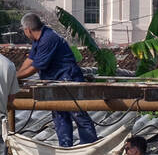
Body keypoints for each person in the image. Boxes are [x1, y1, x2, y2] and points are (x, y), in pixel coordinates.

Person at [15, 12, 97, 147]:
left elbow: (35, 67)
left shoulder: (48, 38)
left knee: (78, 114)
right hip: (54, 81)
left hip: (67, 79)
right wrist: (16, 74)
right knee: (60, 115)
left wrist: (15, 77)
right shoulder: (39, 39)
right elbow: (30, 60)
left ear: (27, 30)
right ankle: (65, 147)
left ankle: (89, 146)